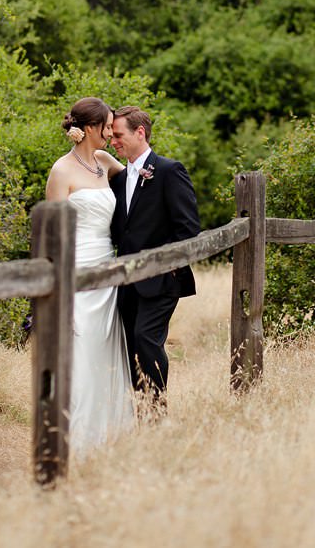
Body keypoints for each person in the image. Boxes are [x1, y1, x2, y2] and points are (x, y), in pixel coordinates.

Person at [44, 97, 134, 452]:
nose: (112, 132)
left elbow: (134, 184)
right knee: (80, 353)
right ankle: (73, 442)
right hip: (76, 273)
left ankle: (112, 439)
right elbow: (52, 234)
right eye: (108, 126)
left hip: (106, 271)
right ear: (91, 128)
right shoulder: (61, 171)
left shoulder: (103, 162)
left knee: (104, 352)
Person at [108, 105, 198, 410]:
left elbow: (188, 227)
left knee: (147, 338)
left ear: (140, 132)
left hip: (161, 280)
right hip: (126, 280)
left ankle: (157, 409)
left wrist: (168, 267)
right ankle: (141, 407)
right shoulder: (119, 180)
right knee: (132, 345)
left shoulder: (170, 171)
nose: (113, 141)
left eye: (118, 135)